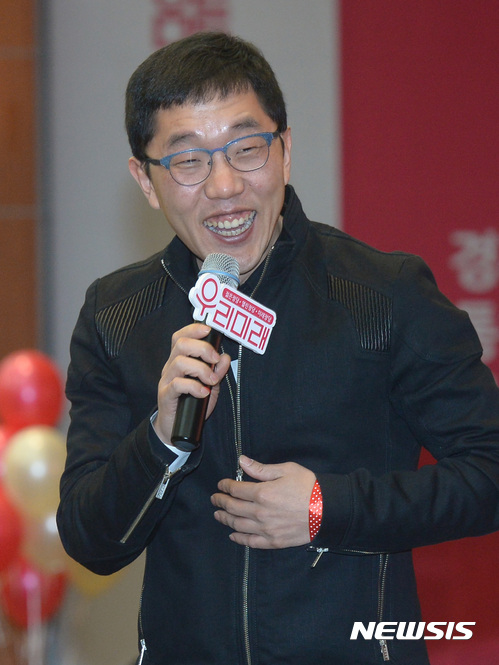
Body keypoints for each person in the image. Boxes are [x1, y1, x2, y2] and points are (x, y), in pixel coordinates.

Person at [57, 31, 499, 665]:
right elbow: (90, 541)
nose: (224, 185)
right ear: (146, 181)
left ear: (285, 150)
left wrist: (328, 508)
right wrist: (159, 439)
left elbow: (489, 472)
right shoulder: (117, 315)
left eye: (247, 149)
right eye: (188, 160)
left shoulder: (384, 294)